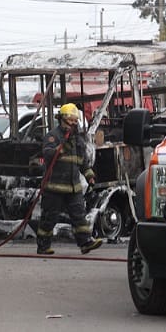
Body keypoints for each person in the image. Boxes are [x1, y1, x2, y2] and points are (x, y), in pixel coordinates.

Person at [36, 103, 102, 255]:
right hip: (54, 187)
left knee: (79, 215)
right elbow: (48, 154)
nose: (73, 124)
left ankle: (85, 243)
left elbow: (83, 161)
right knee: (49, 218)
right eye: (70, 121)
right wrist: (63, 147)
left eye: (75, 121)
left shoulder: (78, 141)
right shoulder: (53, 136)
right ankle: (43, 246)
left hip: (74, 187)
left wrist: (89, 176)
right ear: (62, 120)